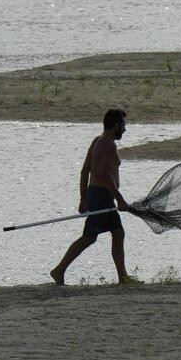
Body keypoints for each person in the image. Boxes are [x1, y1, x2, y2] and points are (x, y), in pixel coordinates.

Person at [50, 109, 133, 285]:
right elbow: (103, 174)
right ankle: (59, 270)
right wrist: (120, 199)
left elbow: (85, 171)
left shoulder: (97, 140)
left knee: (118, 233)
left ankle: (123, 277)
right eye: (124, 125)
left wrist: (83, 198)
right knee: (89, 236)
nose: (125, 129)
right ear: (116, 125)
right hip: (102, 195)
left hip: (97, 194)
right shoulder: (108, 144)